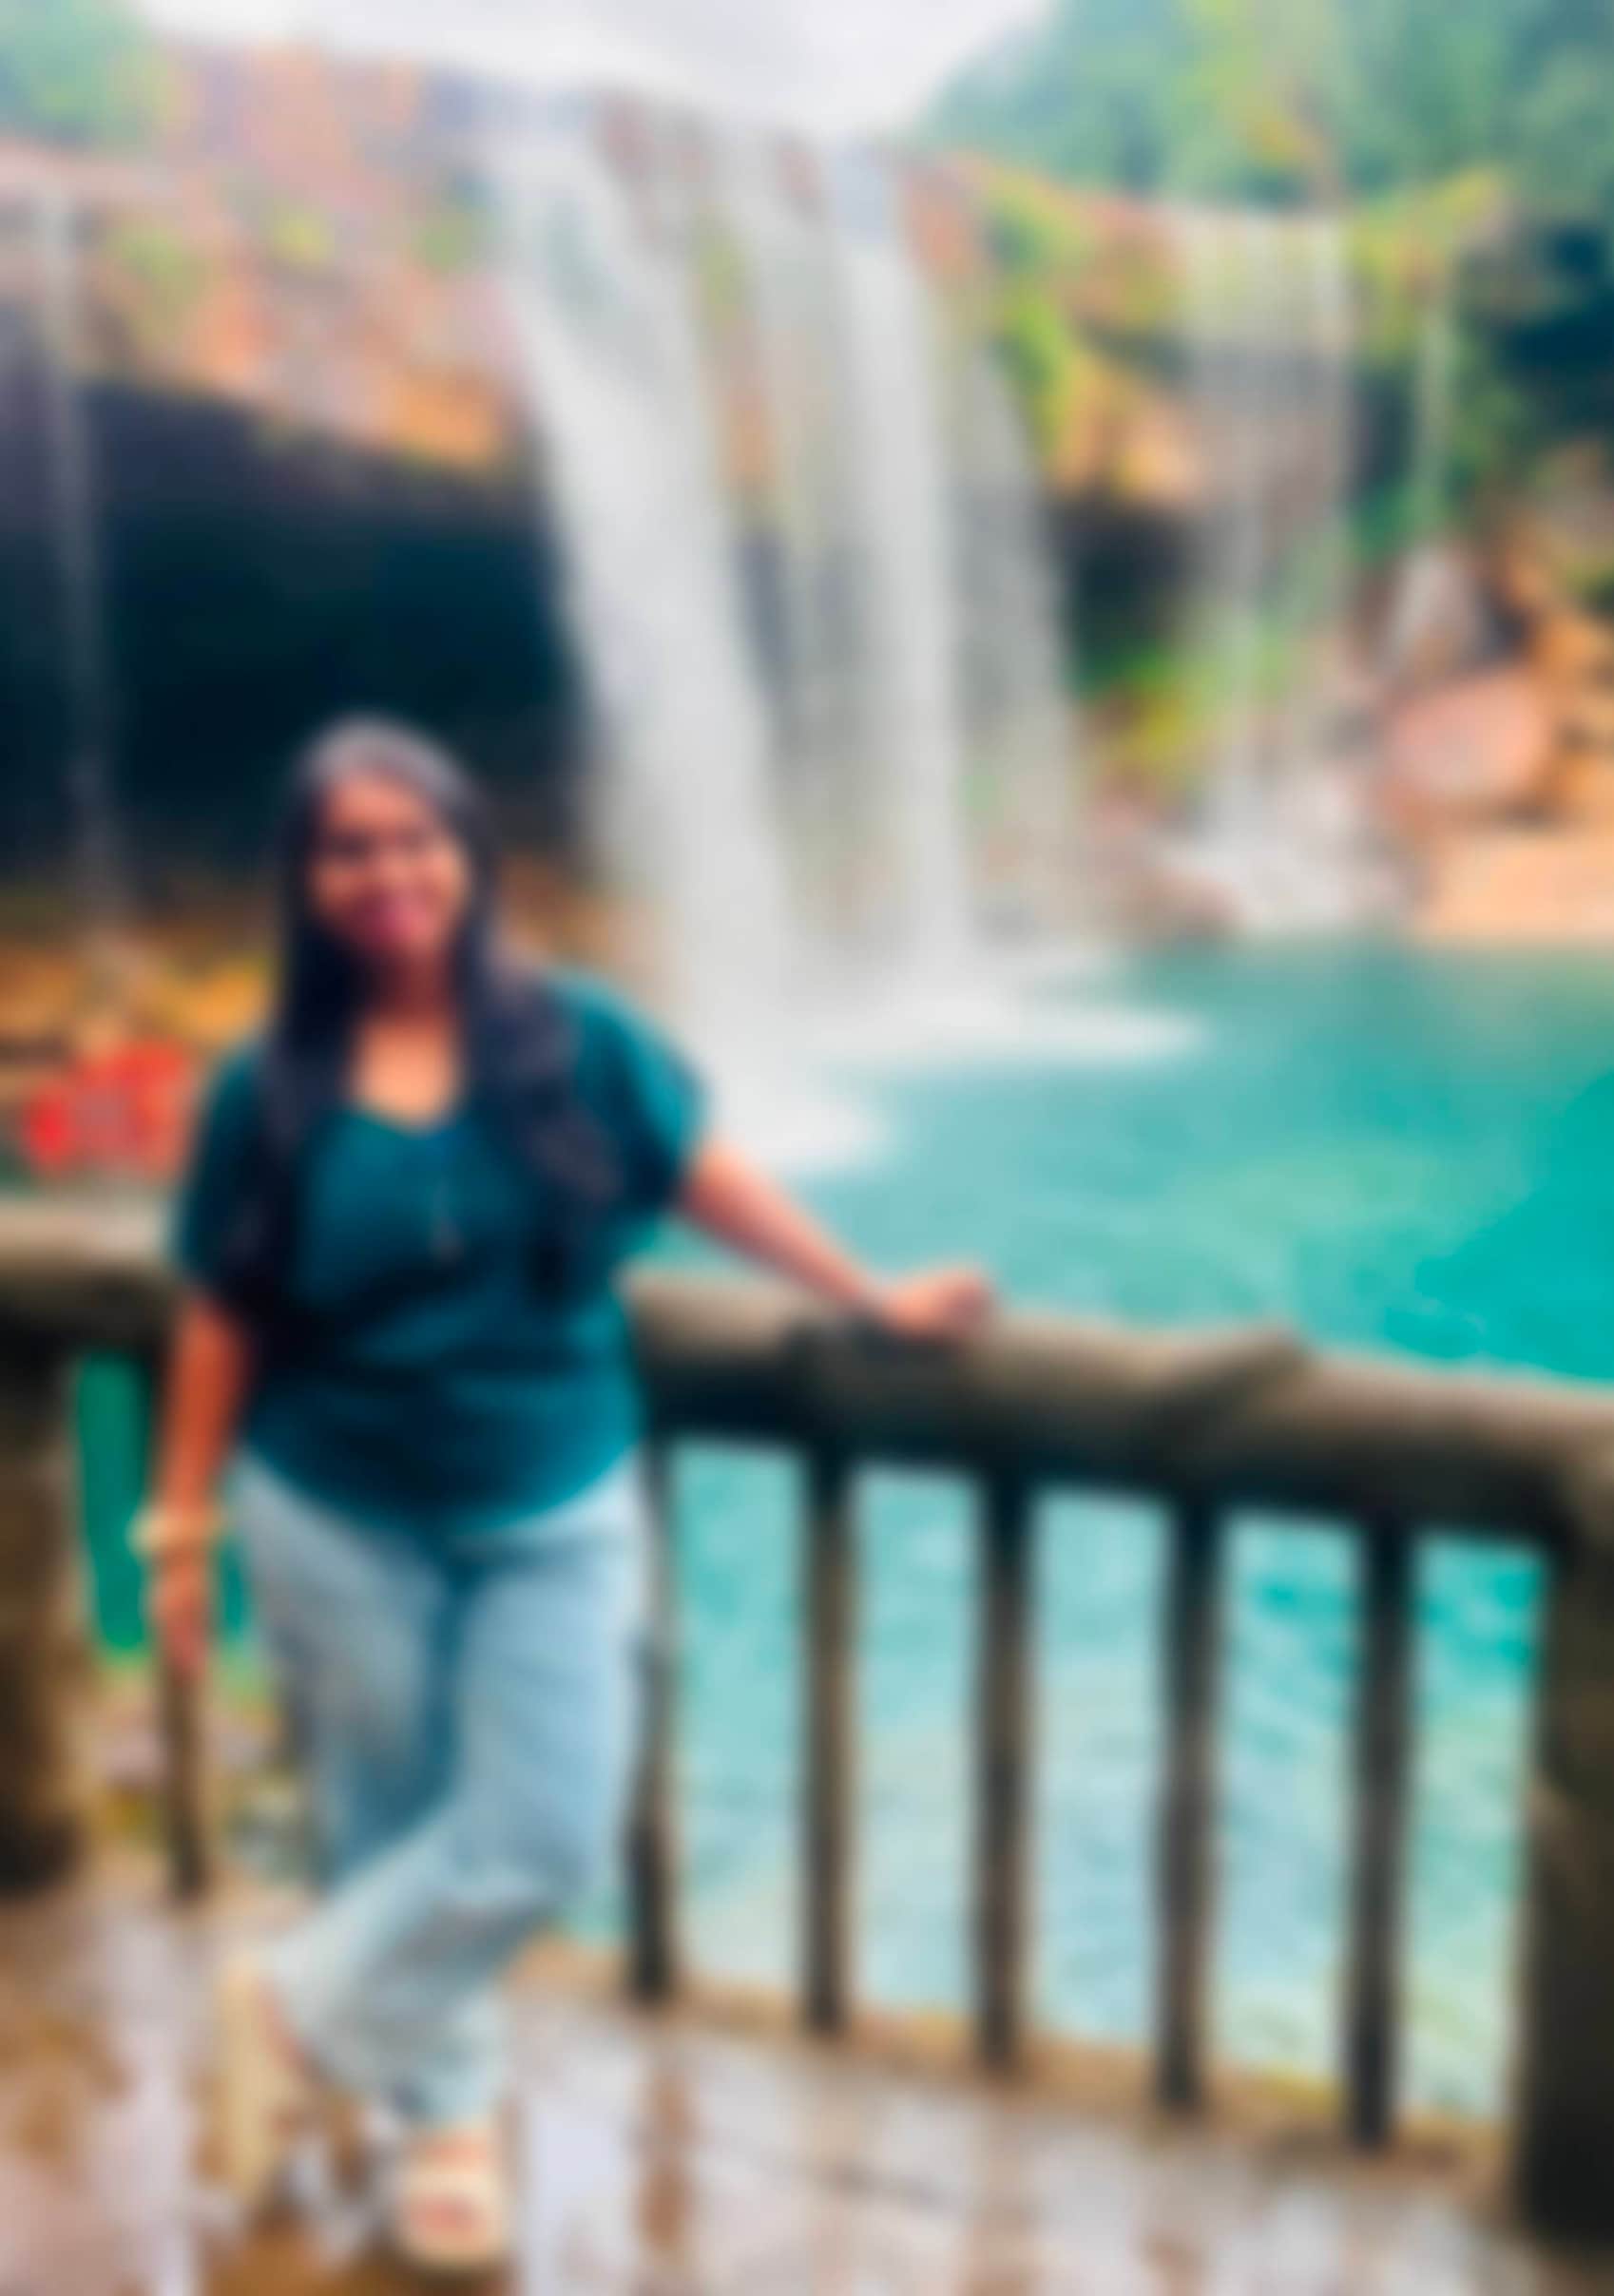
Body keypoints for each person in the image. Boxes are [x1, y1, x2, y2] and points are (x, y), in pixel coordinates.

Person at [141, 717, 992, 2272]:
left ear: (468, 854)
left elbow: (706, 1176)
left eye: (416, 840)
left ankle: (291, 2012)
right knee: (391, 1820)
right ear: (305, 881)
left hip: (553, 1499)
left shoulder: (578, 1039)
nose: (388, 874)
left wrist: (866, 1294)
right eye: (349, 850)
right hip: (334, 1510)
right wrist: (179, 1529)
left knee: (542, 1827)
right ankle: (447, 2121)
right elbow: (218, 1312)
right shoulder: (260, 1088)